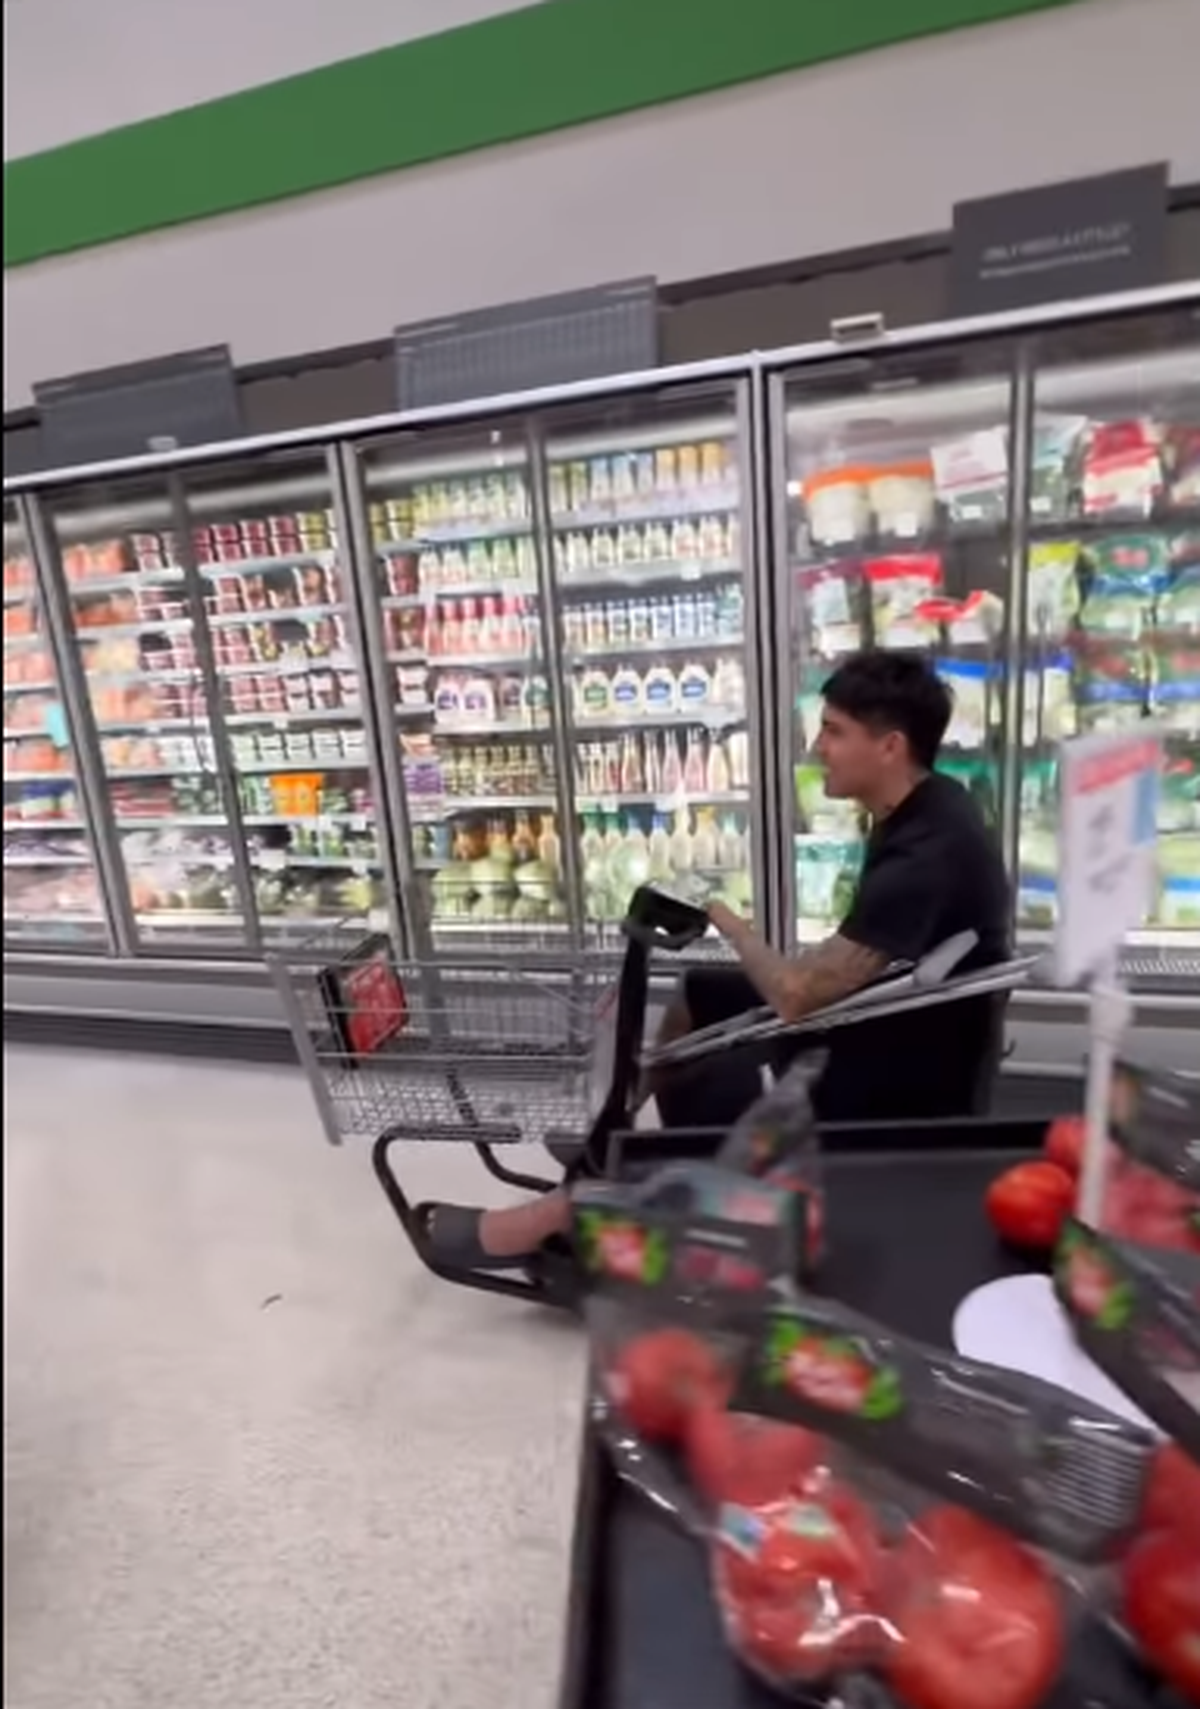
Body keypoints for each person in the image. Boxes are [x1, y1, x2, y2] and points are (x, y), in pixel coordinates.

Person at [421, 649, 1012, 1269]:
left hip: (909, 1072)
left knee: (712, 1083)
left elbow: (796, 996)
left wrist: (727, 918)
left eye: (834, 731)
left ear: (890, 746)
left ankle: (571, 1209)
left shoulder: (925, 854)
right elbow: (857, 955)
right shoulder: (925, 805)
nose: (816, 748)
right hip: (898, 1021)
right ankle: (612, 1142)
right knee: (701, 992)